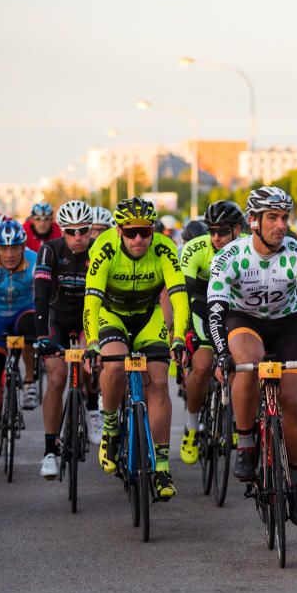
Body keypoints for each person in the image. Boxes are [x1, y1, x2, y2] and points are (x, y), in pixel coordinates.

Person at [208, 186, 297, 525]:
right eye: (272, 217)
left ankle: (296, 480)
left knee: (292, 399)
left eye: (285, 217)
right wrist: (220, 354)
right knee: (247, 365)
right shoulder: (229, 256)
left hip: (288, 324)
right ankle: (245, 442)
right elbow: (215, 310)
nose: (281, 225)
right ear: (253, 221)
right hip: (245, 320)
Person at [83, 197, 189, 500]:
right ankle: (112, 427)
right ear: (119, 232)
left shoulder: (165, 248)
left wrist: (178, 337)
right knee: (114, 365)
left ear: (153, 229)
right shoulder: (103, 249)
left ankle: (162, 467)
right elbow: (91, 301)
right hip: (111, 313)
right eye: (131, 233)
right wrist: (92, 344)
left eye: (145, 231)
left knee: (158, 382)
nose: (139, 238)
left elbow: (179, 297)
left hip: (147, 314)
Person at [177, 200, 244, 465]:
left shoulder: (248, 248)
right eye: (212, 230)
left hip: (235, 307)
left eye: (223, 231)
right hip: (201, 306)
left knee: (244, 364)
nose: (216, 237)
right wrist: (186, 332)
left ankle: (240, 422)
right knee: (203, 365)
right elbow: (182, 294)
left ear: (237, 230)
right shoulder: (195, 248)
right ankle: (192, 427)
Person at [34, 200, 97, 480]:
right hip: (56, 319)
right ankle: (50, 451)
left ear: (90, 229)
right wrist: (40, 336)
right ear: (62, 231)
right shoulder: (50, 250)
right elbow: (40, 295)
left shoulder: (98, 249)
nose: (78, 237)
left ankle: (92, 403)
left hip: (87, 319)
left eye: (83, 230)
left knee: (91, 365)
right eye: (71, 232)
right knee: (57, 378)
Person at [0, 220, 39, 415]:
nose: (9, 255)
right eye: (4, 249)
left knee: (31, 326)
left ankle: (30, 381)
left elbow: (45, 295)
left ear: (23, 247)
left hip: (24, 312)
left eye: (14, 248)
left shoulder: (34, 261)